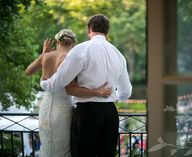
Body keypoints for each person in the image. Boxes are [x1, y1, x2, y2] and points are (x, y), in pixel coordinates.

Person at [40, 14, 132, 157]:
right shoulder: (118, 54)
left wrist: (45, 84)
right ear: (107, 31)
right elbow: (126, 91)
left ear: (89, 29)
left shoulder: (82, 49)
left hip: (88, 113)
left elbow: (61, 80)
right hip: (110, 113)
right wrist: (110, 97)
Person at [25, 29, 112, 157]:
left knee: (47, 146)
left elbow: (28, 71)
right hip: (62, 110)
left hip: (45, 108)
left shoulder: (46, 57)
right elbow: (71, 88)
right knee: (63, 148)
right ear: (73, 44)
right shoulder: (69, 58)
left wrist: (43, 54)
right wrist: (98, 92)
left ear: (57, 41)